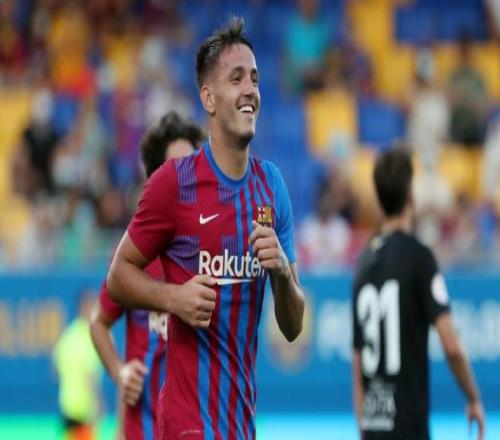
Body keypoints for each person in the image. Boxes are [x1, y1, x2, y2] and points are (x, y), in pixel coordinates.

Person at [106, 18, 305, 440]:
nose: (250, 89)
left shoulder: (272, 187)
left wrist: (281, 274)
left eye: (255, 79)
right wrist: (173, 297)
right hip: (187, 423)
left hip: (240, 424)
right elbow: (117, 276)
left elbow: (292, 326)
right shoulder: (173, 182)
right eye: (237, 78)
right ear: (208, 98)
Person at [352, 149, 485, 440]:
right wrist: (473, 397)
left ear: (379, 198)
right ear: (411, 195)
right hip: (408, 426)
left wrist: (364, 427)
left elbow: (358, 359)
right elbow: (451, 345)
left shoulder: (363, 264)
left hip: (374, 424)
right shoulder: (419, 257)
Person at [90, 111, 205, 440]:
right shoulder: (131, 260)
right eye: (177, 168)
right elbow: (98, 322)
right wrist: (119, 372)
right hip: (142, 429)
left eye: (194, 167)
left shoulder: (211, 252)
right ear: (157, 180)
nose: (189, 178)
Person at [53, 289, 101, 440]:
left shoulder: (68, 334)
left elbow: (55, 368)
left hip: (67, 406)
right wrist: (97, 403)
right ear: (85, 306)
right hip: (84, 410)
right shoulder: (89, 335)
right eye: (93, 304)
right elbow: (89, 375)